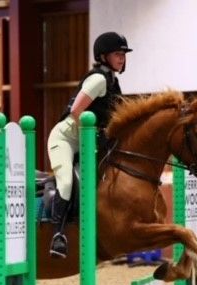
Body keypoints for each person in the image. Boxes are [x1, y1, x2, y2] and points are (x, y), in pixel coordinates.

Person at [47, 31, 132, 258]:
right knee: (66, 183)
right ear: (103, 56)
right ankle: (58, 235)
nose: (122, 58)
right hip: (66, 138)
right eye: (117, 54)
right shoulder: (98, 79)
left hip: (87, 141)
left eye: (123, 54)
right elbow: (77, 112)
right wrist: (96, 134)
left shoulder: (114, 82)